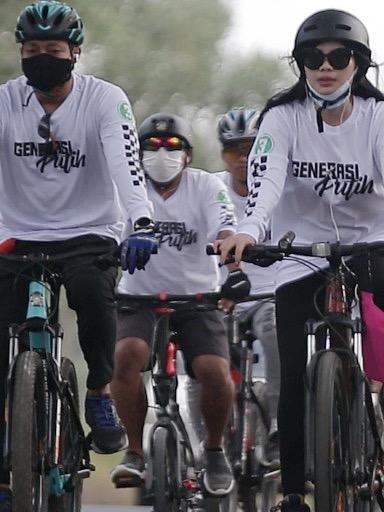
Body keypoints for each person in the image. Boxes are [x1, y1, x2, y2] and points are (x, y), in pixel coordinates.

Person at [213, 10, 384, 512]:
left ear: (357, 64)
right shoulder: (280, 117)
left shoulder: (382, 115)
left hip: (373, 237)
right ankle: (296, 491)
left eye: (338, 57)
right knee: (292, 367)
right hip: (302, 246)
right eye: (312, 57)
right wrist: (247, 231)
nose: (325, 67)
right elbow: (264, 188)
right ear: (299, 63)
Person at [0, 0, 158, 512]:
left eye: (52, 50)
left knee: (94, 296)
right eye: (31, 51)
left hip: (89, 231)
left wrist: (139, 222)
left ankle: (99, 390)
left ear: (75, 51)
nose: (41, 59)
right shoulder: (1, 102)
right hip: (19, 237)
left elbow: (126, 165)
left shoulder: (104, 100)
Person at [110, 113, 247, 495]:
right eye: (152, 147)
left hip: (197, 299)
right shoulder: (129, 190)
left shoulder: (205, 186)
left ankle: (215, 450)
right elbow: (108, 229)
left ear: (187, 155)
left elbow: (226, 229)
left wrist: (233, 269)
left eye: (172, 147)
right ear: (138, 154)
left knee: (214, 371)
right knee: (126, 356)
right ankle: (134, 452)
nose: (161, 153)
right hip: (138, 299)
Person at [214, 106, 281, 455]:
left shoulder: (281, 189)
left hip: (270, 293)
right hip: (225, 297)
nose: (243, 159)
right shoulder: (211, 188)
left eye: (252, 149)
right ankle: (208, 444)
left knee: (275, 327)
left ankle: (278, 423)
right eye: (233, 151)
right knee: (206, 353)